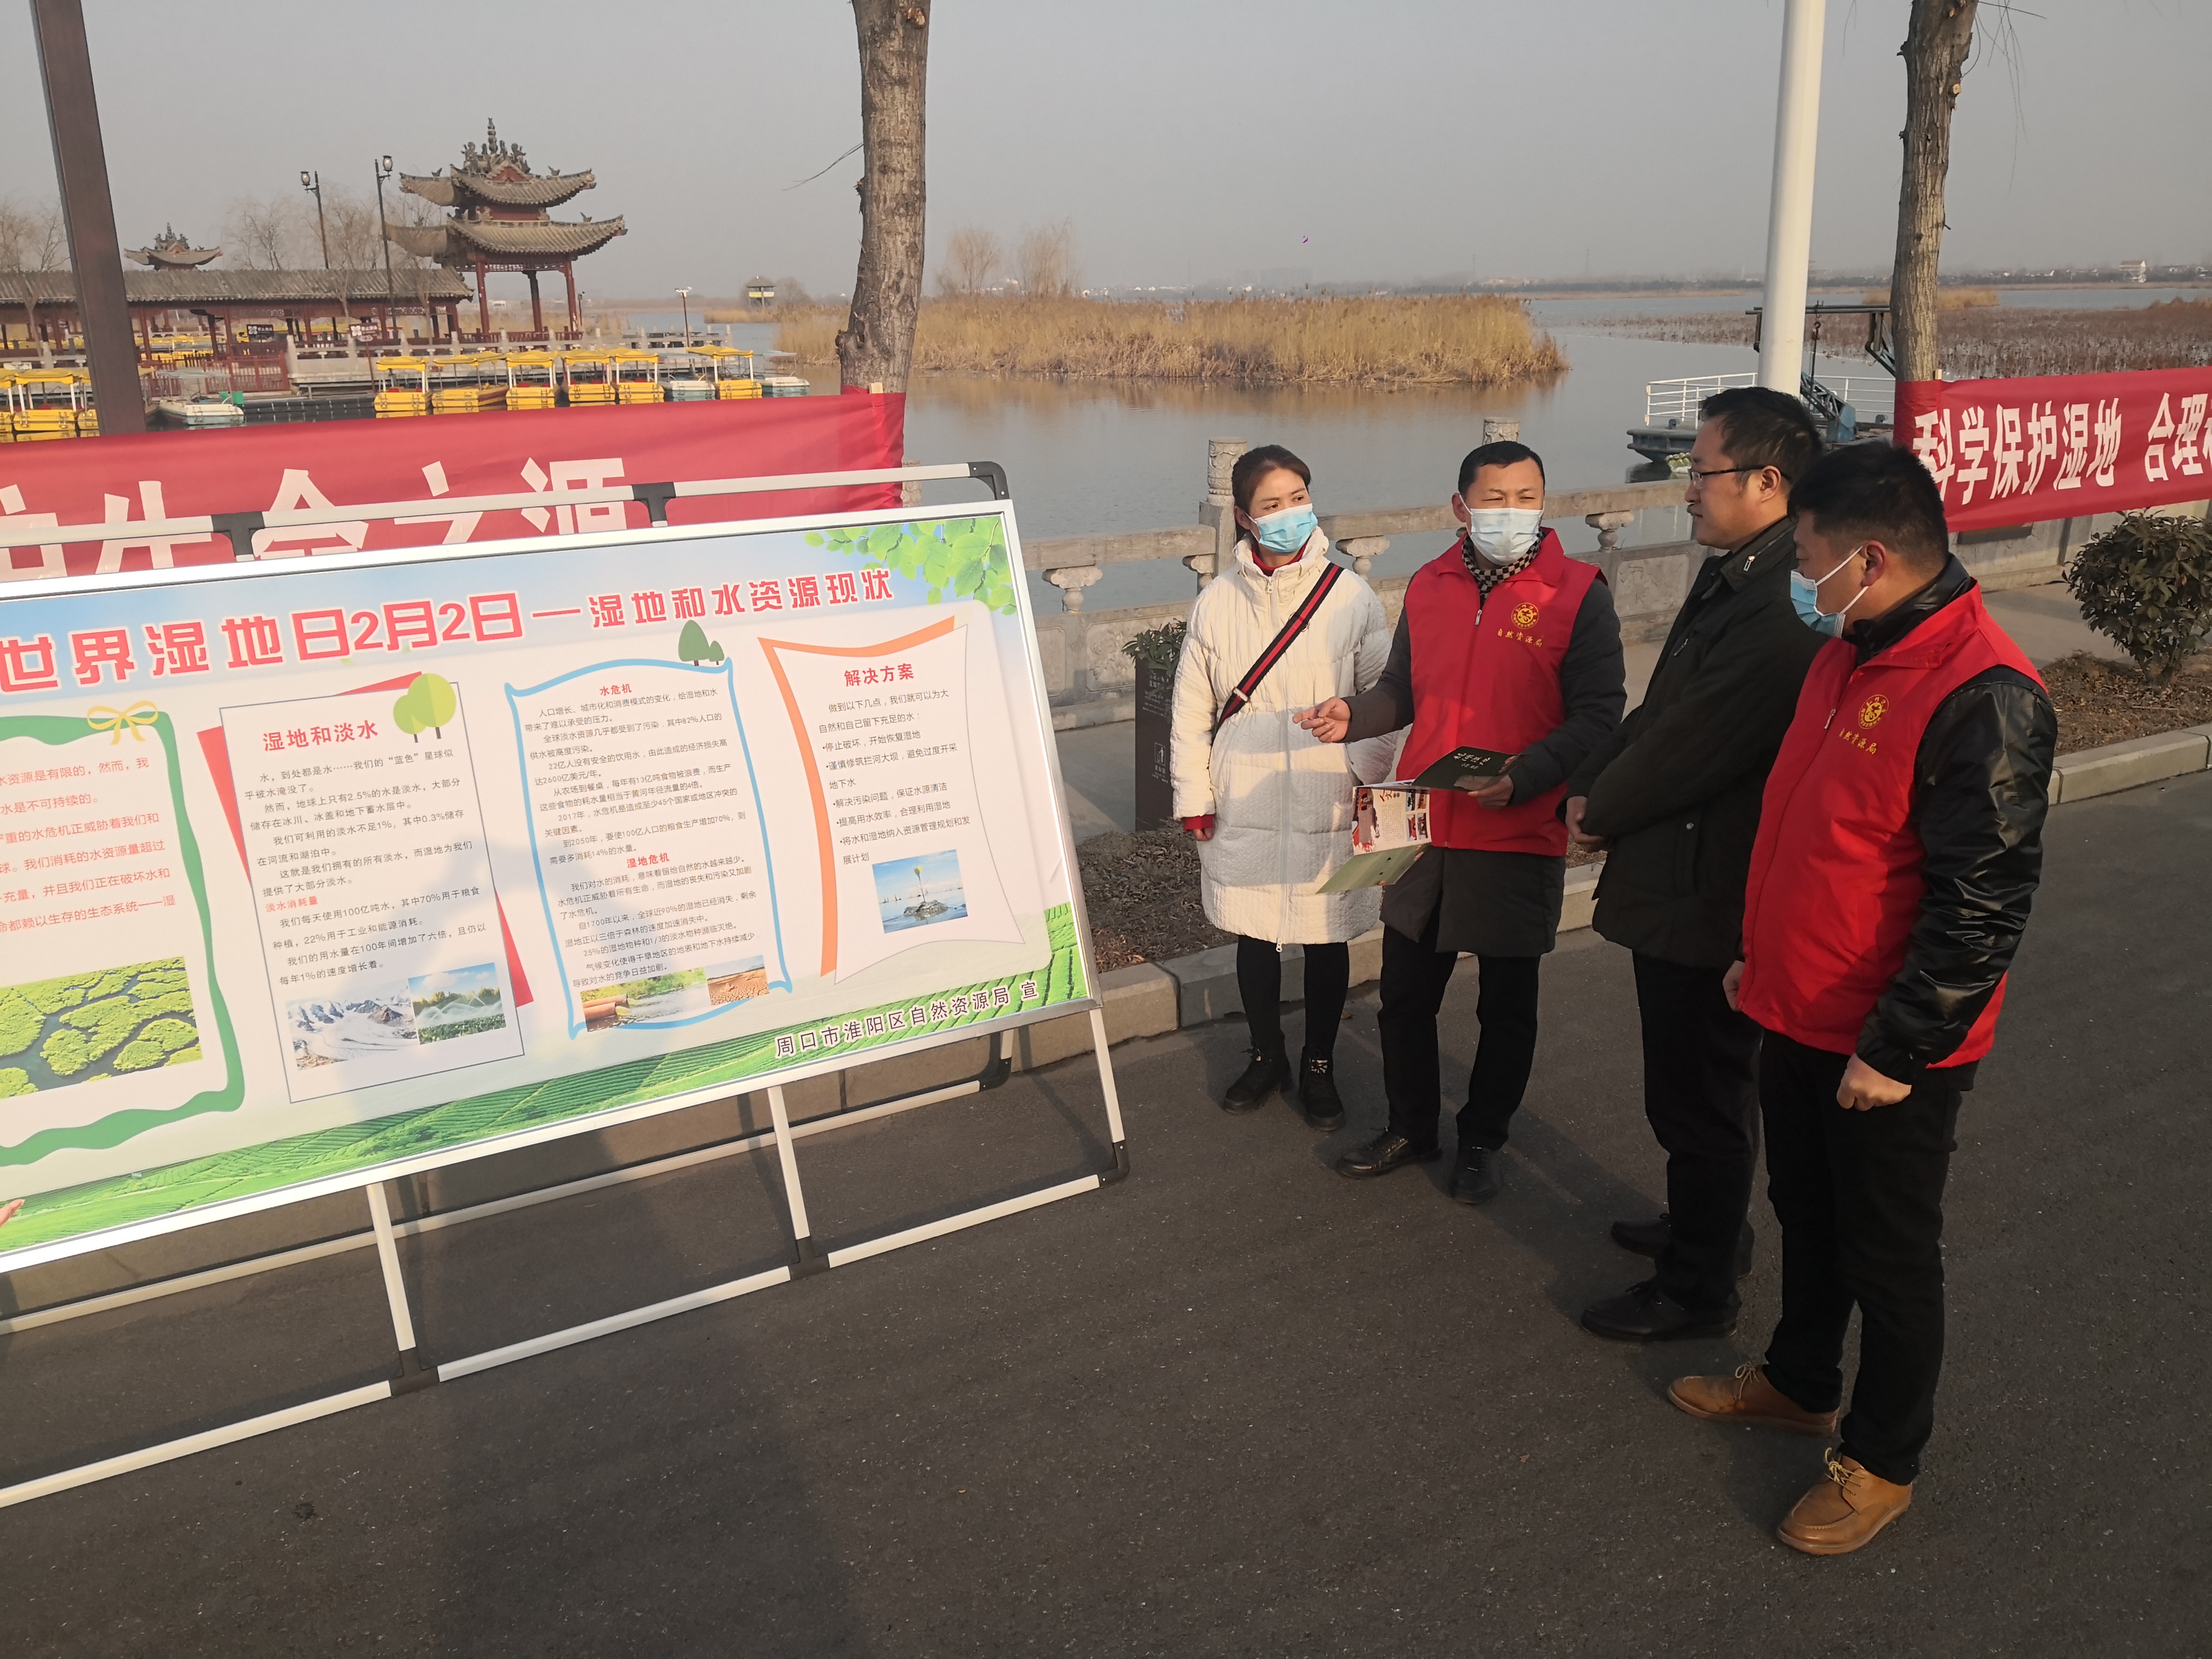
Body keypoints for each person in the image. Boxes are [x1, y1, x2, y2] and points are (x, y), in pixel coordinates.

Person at [1668, 443, 2055, 1557]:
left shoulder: (1983, 692)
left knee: (1887, 1251)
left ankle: (1883, 1458)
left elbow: (1980, 903)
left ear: (1869, 559)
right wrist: (1758, 955)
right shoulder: (1846, 652)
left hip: (1887, 1043)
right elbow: (1811, 828)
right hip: (1796, 1002)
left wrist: (1899, 1046)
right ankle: (1799, 1379)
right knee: (1806, 1211)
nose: (1800, 575)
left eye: (1806, 558)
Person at [1565, 386, 1827, 1343]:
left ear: (1767, 481)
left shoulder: (1783, 602)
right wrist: (1590, 784)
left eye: (1701, 470)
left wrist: (1600, 811)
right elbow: (1662, 709)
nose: (1687, 487)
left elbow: (1695, 743)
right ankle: (1706, 1229)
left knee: (1701, 1094)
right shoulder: (1741, 574)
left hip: (1709, 885)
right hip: (1682, 865)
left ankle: (1697, 1287)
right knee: (1694, 1088)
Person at [1296, 440, 1624, 1200]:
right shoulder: (1430, 584)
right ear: (1460, 506)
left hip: (1517, 828)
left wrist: (1526, 777)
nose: (1511, 511)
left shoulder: (1578, 593)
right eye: (1494, 498)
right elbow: (1402, 689)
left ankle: (1482, 1138)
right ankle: (1411, 1127)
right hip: (1423, 828)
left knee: (1505, 1008)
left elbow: (1599, 716)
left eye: (1525, 497)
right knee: (1405, 998)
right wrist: (1354, 715)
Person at [1170, 444, 1395, 1128]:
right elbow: (1190, 711)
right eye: (1271, 504)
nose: (1289, 513)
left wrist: (1367, 777)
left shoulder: (1349, 596)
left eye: (1298, 498)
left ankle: (1318, 1063)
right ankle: (1266, 1054)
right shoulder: (1217, 602)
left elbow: (1387, 699)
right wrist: (1194, 796)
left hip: (1330, 791)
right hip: (1247, 792)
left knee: (1327, 936)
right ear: (1244, 517)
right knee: (1255, 933)